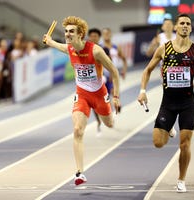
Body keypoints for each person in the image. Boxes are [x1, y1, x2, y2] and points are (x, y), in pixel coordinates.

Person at [43, 16, 121, 186]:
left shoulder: (96, 51)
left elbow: (114, 71)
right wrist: (49, 41)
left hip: (100, 94)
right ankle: (79, 173)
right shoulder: (69, 48)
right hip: (82, 95)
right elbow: (57, 45)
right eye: (66, 31)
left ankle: (108, 117)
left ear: (80, 35)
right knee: (78, 130)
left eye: (71, 31)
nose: (67, 34)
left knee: (109, 123)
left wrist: (116, 96)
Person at [137, 13, 194, 193]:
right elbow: (147, 71)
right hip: (168, 103)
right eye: (182, 23)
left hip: (187, 103)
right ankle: (168, 127)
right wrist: (143, 91)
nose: (185, 26)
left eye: (188, 23)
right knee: (158, 143)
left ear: (191, 28)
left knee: (184, 144)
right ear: (176, 27)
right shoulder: (164, 48)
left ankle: (181, 179)